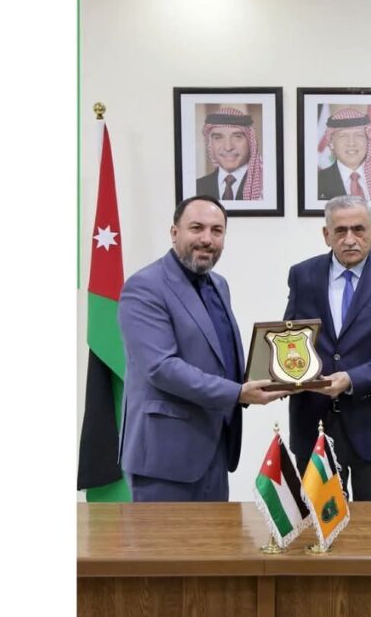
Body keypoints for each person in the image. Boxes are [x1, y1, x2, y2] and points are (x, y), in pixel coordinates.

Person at [118, 196, 287, 501]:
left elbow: (219, 356)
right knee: (165, 536)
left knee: (216, 535)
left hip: (215, 448)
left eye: (216, 230)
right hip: (164, 458)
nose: (207, 239)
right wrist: (237, 393)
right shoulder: (144, 286)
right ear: (174, 233)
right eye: (196, 228)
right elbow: (161, 367)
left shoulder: (218, 284)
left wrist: (276, 375)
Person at [284, 195, 371, 500]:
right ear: (326, 234)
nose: (349, 239)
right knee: (316, 521)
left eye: (358, 230)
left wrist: (352, 379)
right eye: (340, 231)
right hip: (314, 423)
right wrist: (281, 373)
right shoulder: (302, 275)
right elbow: (291, 336)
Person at [196, 107, 264, 200]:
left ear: (250, 142)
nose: (228, 147)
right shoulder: (197, 187)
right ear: (210, 144)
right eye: (218, 138)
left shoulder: (265, 187)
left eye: (237, 137)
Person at [318, 108, 371, 201]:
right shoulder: (318, 182)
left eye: (359, 135)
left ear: (368, 140)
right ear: (331, 143)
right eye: (343, 136)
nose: (351, 143)